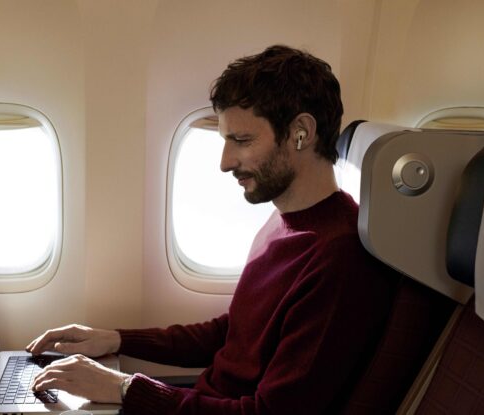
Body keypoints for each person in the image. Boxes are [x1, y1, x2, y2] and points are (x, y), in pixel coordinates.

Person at [27, 45, 399, 414]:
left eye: (241, 140)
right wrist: (116, 340)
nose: (224, 163)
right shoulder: (283, 223)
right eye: (225, 140)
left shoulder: (339, 259)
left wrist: (126, 389)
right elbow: (232, 335)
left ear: (301, 132)